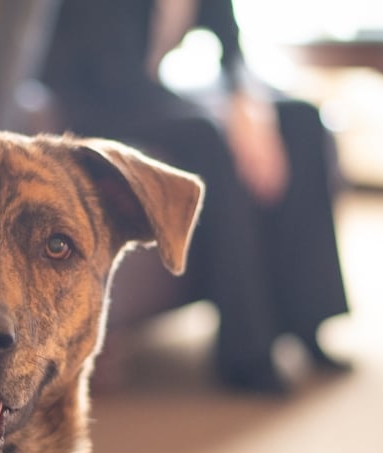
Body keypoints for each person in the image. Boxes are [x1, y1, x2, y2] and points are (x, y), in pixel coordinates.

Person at [42, 0, 350, 394]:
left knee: (301, 118)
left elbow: (232, 49)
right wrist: (225, 121)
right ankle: (245, 352)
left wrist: (249, 109)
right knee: (210, 135)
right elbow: (111, 75)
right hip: (91, 101)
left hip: (146, 93)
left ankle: (307, 320)